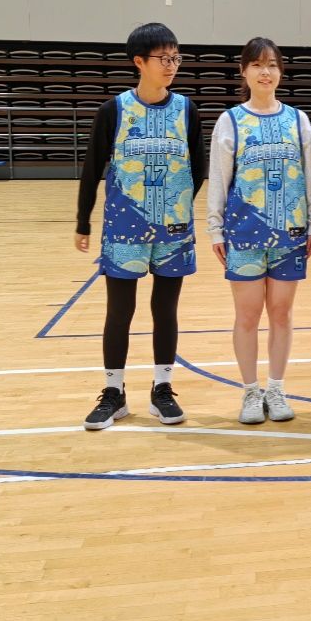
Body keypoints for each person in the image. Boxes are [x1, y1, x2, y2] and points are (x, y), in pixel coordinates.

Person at [75, 22, 206, 430]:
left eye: (175, 57)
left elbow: (199, 168)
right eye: (163, 58)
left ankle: (162, 389)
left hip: (174, 230)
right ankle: (113, 393)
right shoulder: (113, 111)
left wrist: (175, 207)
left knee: (165, 310)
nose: (171, 65)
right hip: (124, 229)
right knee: (120, 311)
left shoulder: (186, 110)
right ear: (139, 61)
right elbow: (91, 169)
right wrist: (83, 221)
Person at [207, 37, 311, 425]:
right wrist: (216, 229)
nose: (265, 72)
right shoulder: (230, 120)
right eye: (256, 65)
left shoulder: (298, 120)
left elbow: (310, 177)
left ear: (280, 72)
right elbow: (219, 179)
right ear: (244, 72)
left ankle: (277, 388)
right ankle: (251, 392)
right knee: (248, 315)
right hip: (245, 233)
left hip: (290, 233)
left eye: (271, 64)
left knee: (282, 313)